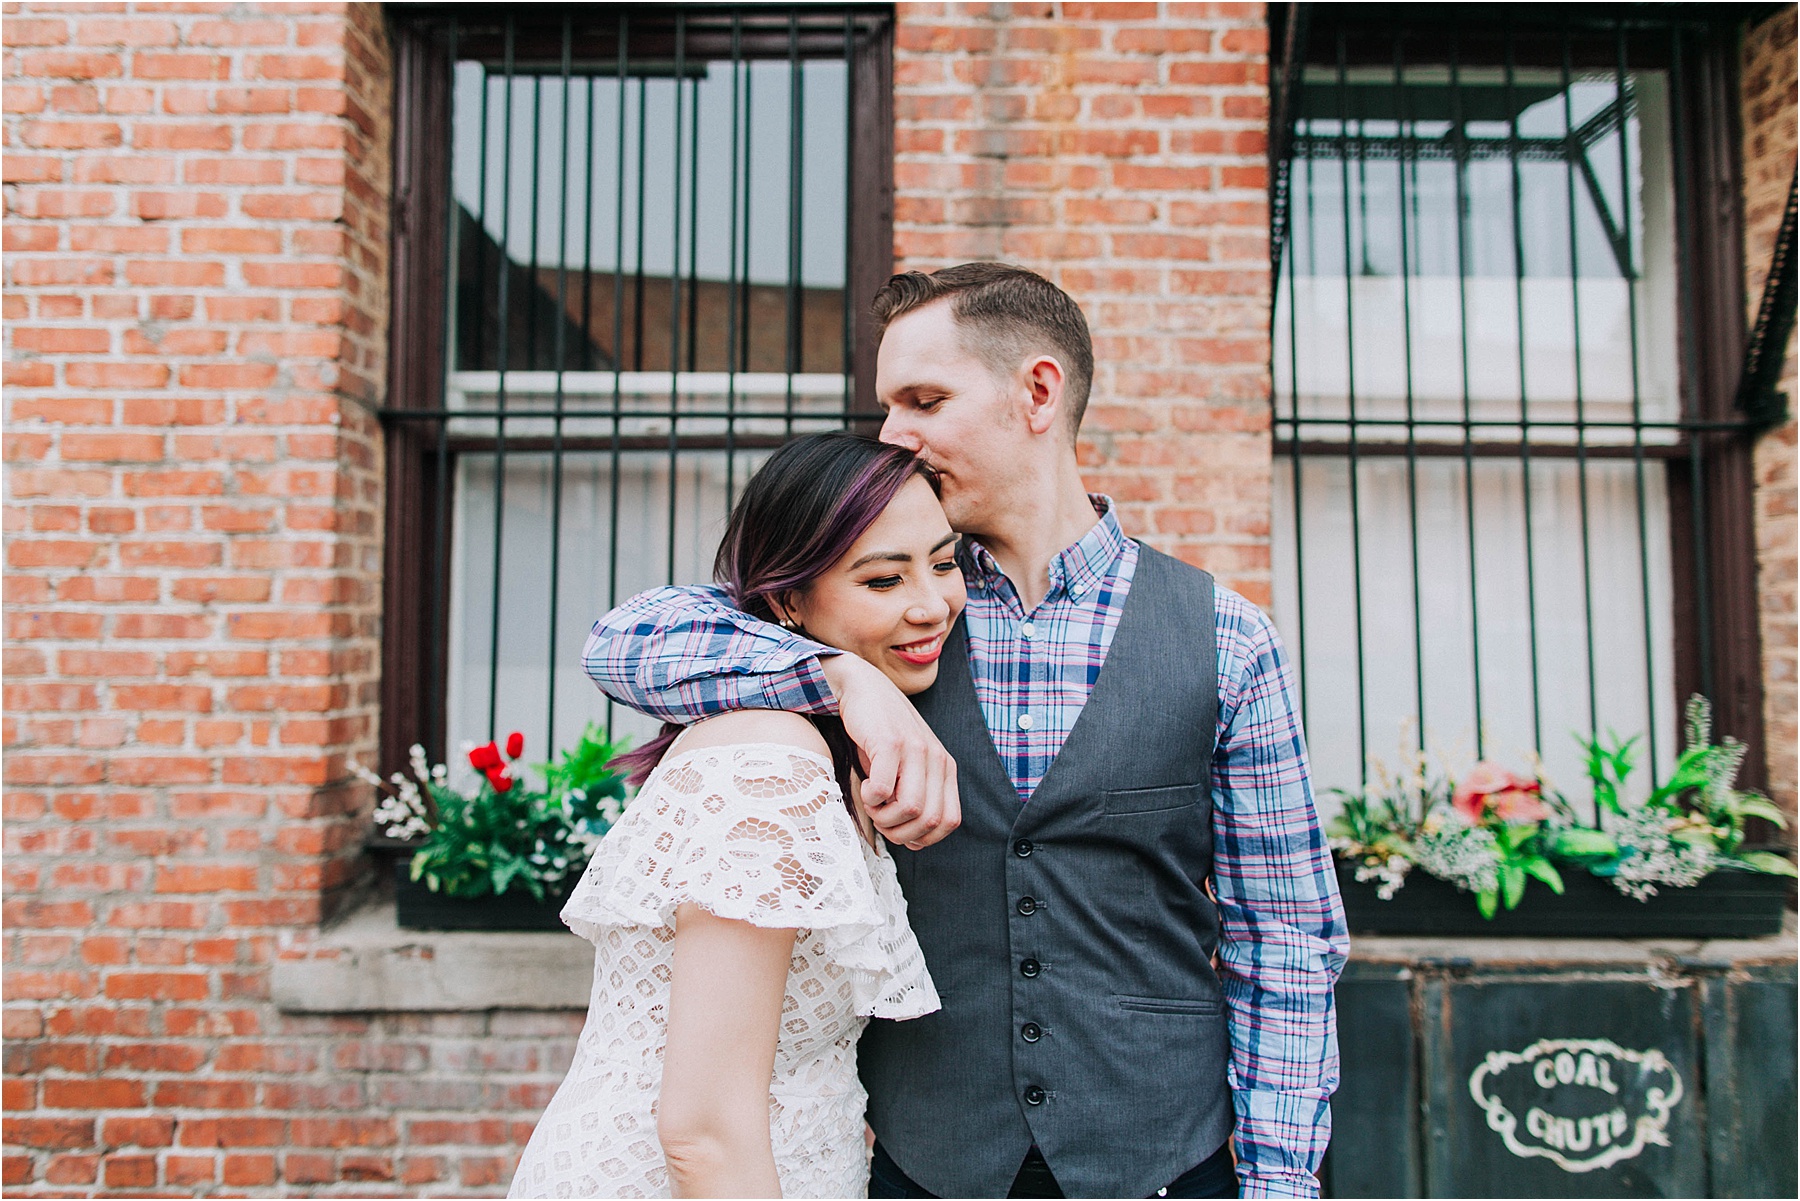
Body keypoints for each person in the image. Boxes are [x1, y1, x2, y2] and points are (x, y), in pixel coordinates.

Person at [584, 263, 1349, 1199]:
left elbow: (1286, 936)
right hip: (928, 1163)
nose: (893, 435)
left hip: (1165, 1163)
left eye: (924, 400)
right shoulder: (885, 611)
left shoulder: (1226, 638)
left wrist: (1281, 1184)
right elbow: (625, 642)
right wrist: (840, 679)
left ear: (1037, 391)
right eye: (888, 405)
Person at [509, 434, 960, 1199]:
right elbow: (703, 1133)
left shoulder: (827, 746)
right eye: (883, 579)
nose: (930, 602)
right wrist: (843, 672)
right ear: (787, 601)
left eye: (944, 563)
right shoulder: (768, 761)